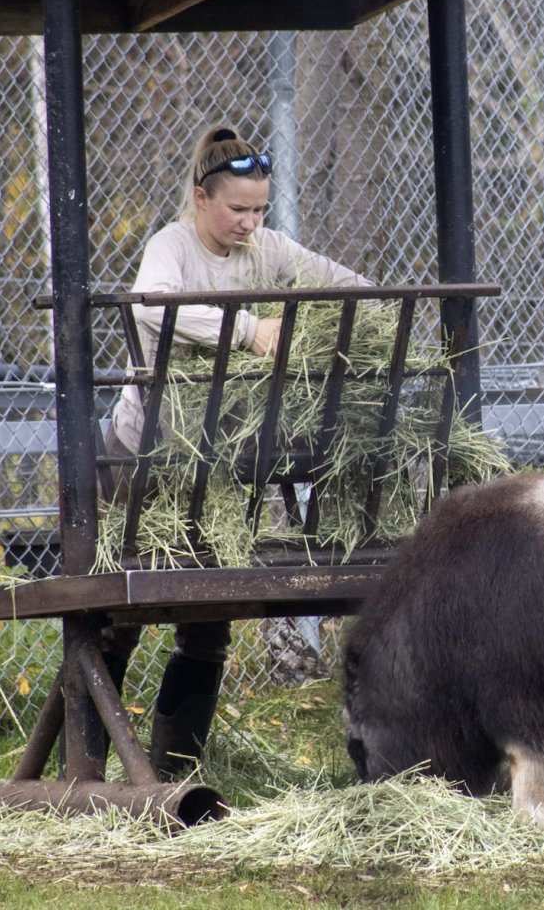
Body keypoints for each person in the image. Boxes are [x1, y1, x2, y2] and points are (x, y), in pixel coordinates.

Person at [102, 125, 370, 777]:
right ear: (201, 197)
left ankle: (170, 772)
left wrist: (356, 313)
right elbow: (154, 310)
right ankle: (83, 757)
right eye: (237, 209)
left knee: (207, 618)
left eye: (259, 210)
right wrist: (251, 329)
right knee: (118, 611)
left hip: (217, 463)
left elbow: (345, 283)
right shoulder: (171, 246)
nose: (250, 222)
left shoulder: (267, 247)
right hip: (146, 456)